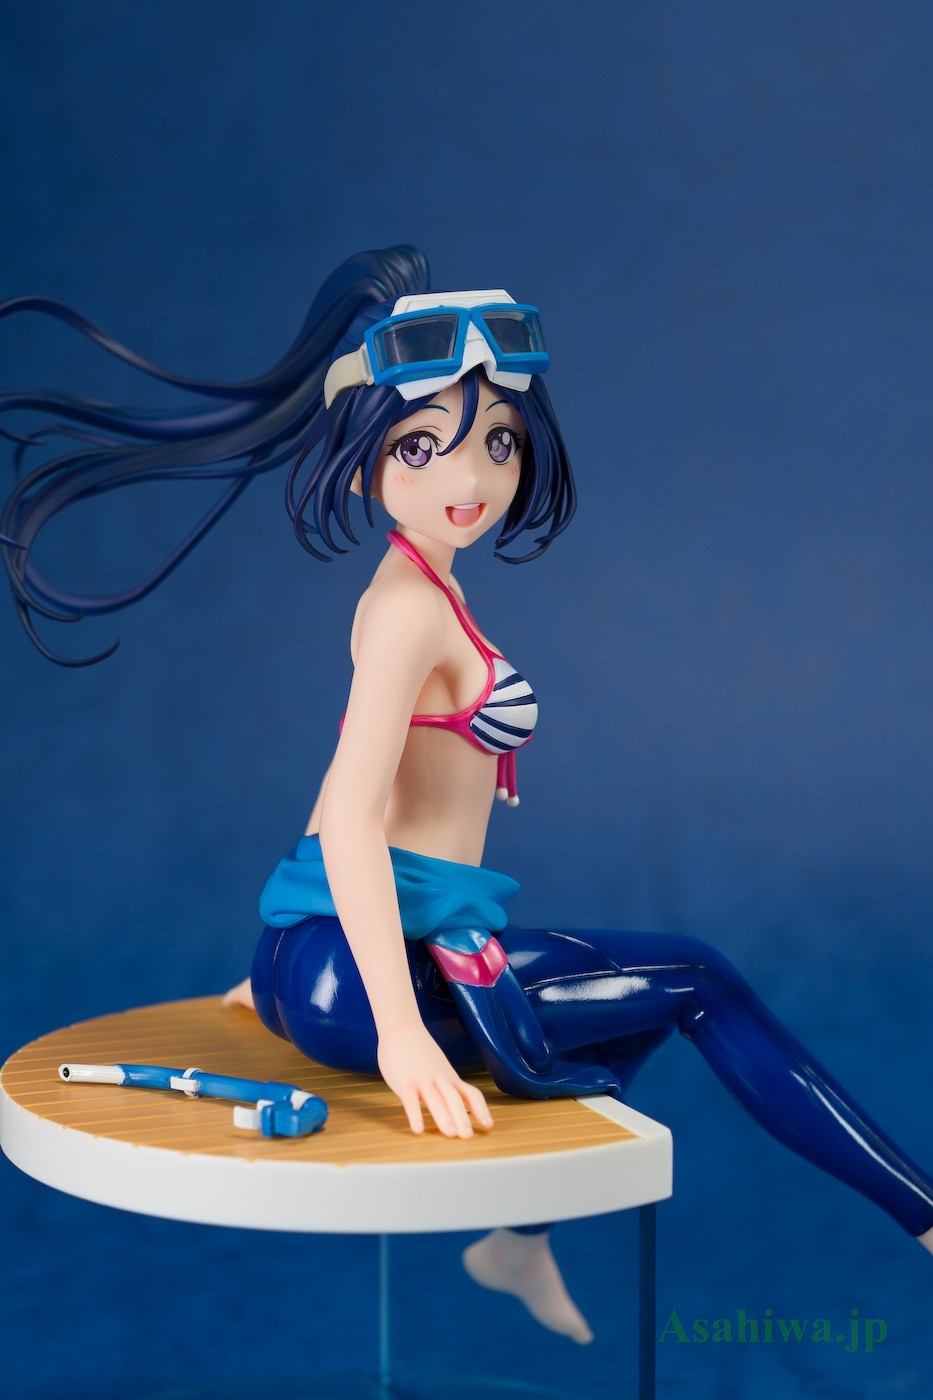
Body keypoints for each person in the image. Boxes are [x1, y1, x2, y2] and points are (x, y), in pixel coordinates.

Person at [4, 247, 933, 1348]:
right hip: (366, 980)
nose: (473, 475)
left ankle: (518, 1241)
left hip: (334, 951)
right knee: (699, 983)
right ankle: (921, 1219)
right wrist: (397, 1030)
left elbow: (347, 774)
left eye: (497, 440)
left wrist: (286, 943)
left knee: (631, 996)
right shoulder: (407, 611)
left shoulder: (426, 588)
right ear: (363, 466)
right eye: (421, 444)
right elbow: (356, 811)